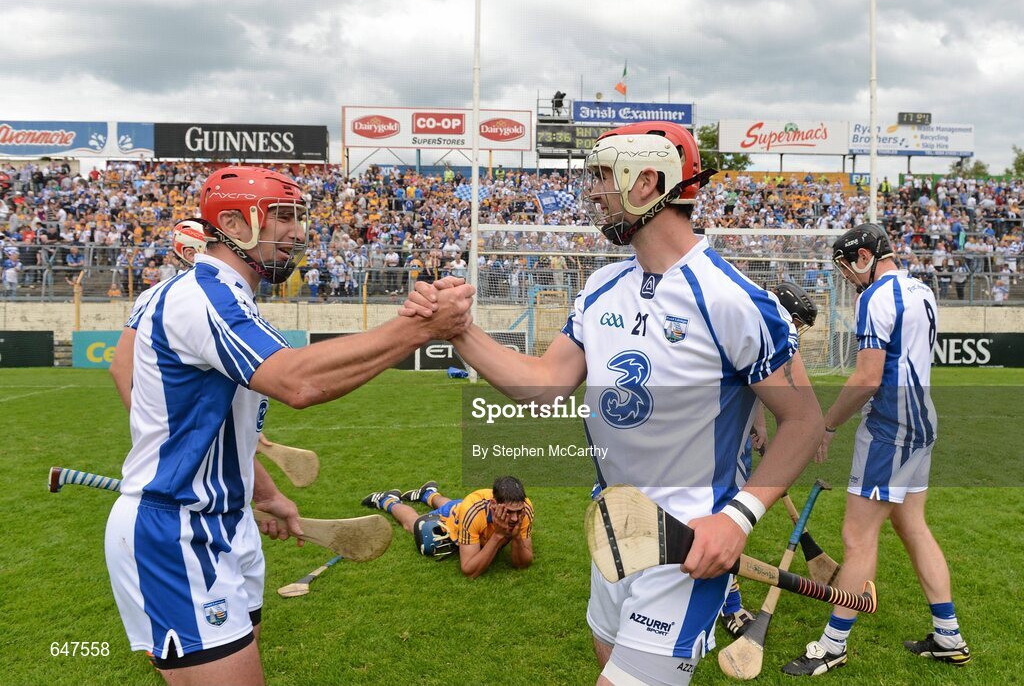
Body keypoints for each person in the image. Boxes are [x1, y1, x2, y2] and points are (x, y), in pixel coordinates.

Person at [401, 122, 824, 686]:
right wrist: (459, 331)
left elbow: (803, 420)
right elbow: (545, 384)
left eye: (603, 176)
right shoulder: (601, 287)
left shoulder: (733, 299)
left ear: (647, 181)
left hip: (689, 544)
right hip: (616, 525)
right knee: (609, 656)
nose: (594, 191)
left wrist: (738, 520)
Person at [104, 166, 473, 686]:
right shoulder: (202, 295)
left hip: (225, 522)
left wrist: (266, 492)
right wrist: (418, 329)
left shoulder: (232, 296)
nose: (298, 233)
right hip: (179, 532)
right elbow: (297, 383)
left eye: (298, 219)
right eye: (280, 218)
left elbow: (219, 428)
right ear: (231, 221)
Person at [782, 224, 970, 677]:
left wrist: (826, 426)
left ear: (865, 255)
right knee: (913, 527)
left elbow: (867, 378)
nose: (847, 277)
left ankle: (832, 645)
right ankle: (949, 637)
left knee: (857, 538)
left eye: (848, 265)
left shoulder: (875, 298)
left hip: (891, 427)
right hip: (923, 421)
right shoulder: (922, 289)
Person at [720, 280, 819, 638]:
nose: (797, 330)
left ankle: (721, 596)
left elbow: (756, 383)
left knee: (726, 517)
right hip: (720, 445)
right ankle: (729, 607)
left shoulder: (759, 331)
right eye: (797, 321)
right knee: (724, 518)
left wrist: (758, 424)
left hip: (735, 439)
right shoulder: (749, 323)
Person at [360, 476, 534, 579]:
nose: (514, 518)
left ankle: (428, 493)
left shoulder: (524, 509)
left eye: (518, 512)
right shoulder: (472, 512)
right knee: (418, 527)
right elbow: (469, 570)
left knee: (453, 505)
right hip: (455, 517)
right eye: (509, 512)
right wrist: (498, 536)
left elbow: (523, 564)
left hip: (460, 507)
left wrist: (516, 536)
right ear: (494, 504)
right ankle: (388, 500)